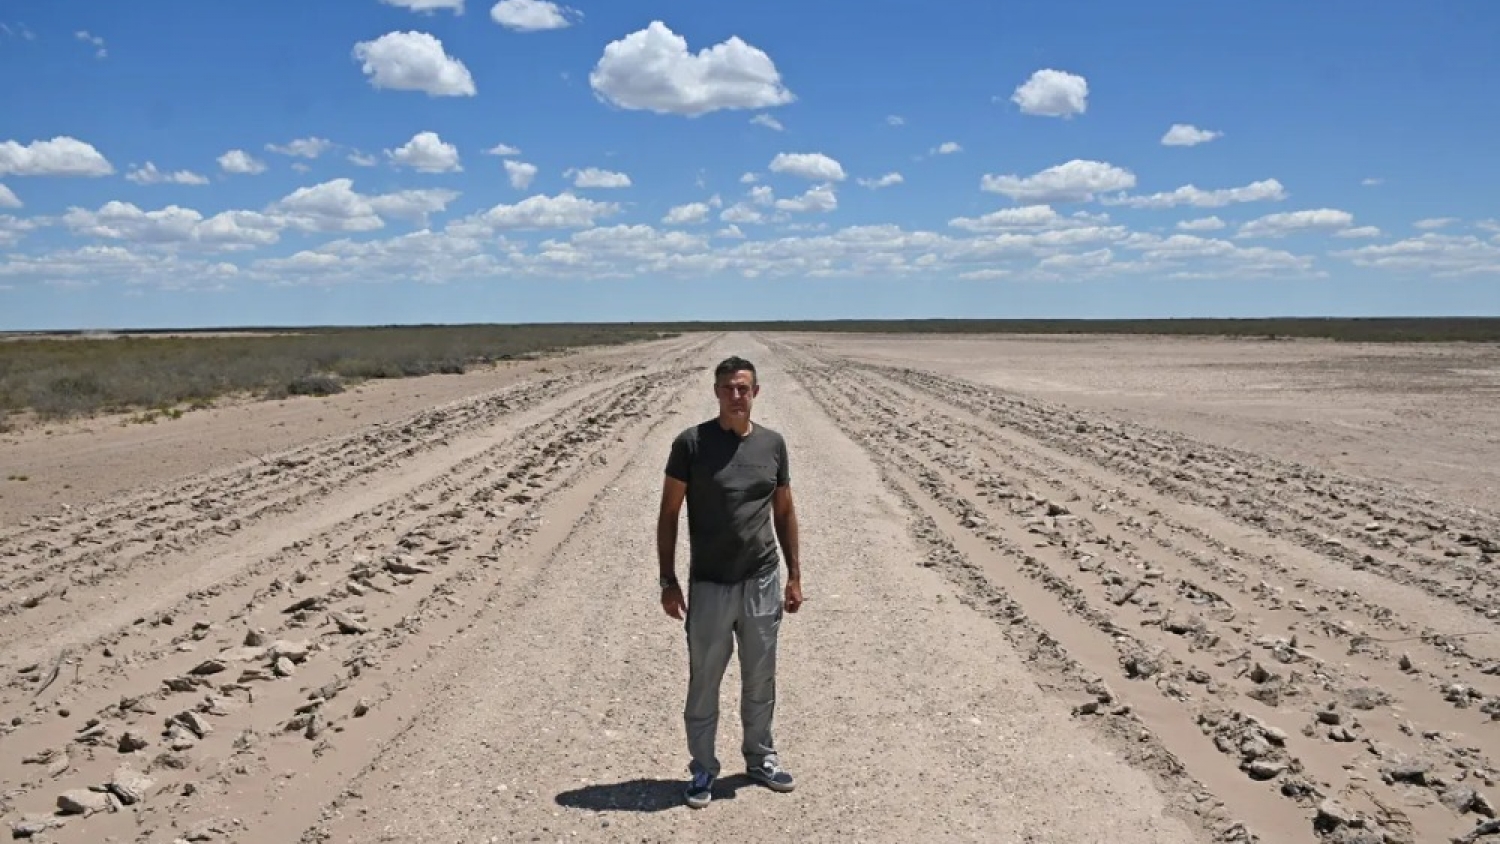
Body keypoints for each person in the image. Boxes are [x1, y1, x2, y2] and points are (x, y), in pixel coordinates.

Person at [657, 355, 803, 809]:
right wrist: (667, 580)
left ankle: (760, 758)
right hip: (710, 585)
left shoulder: (773, 445)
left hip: (761, 579)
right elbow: (669, 514)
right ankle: (703, 767)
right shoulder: (692, 444)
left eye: (743, 388)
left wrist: (795, 574)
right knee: (705, 680)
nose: (736, 396)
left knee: (760, 676)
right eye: (728, 388)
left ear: (755, 392)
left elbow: (784, 511)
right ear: (717, 392)